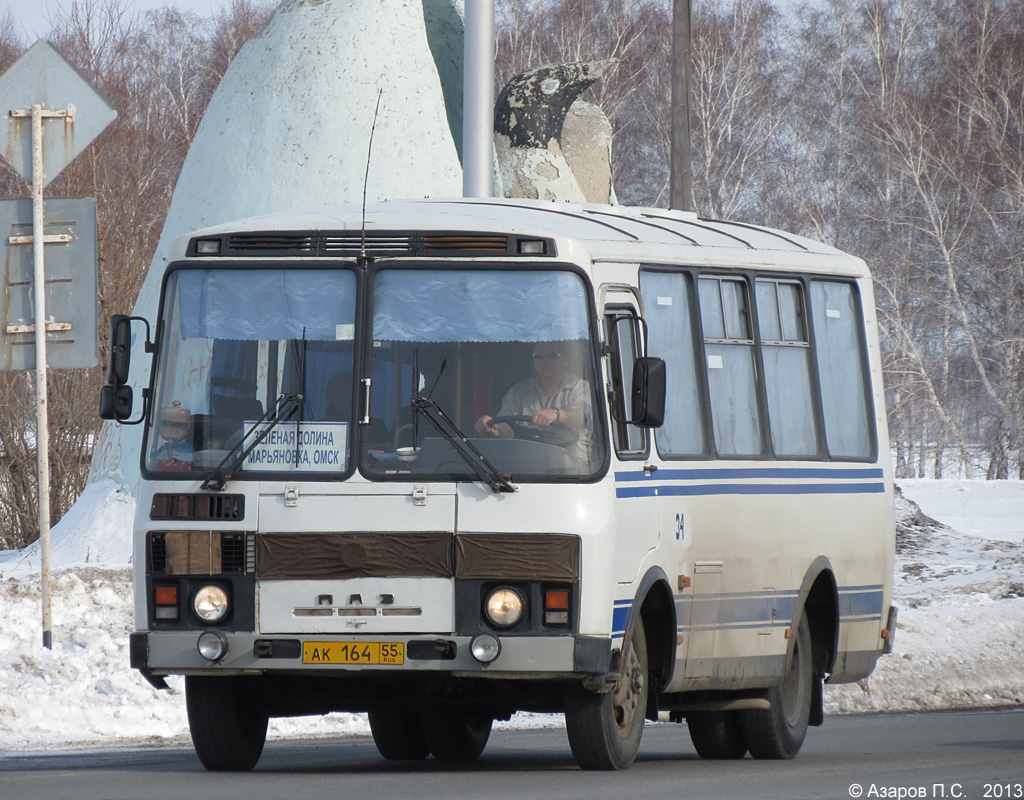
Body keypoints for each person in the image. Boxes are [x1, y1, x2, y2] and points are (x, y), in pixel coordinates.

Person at [475, 343, 593, 461]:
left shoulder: (582, 388)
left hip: (575, 471)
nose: (544, 361)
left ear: (567, 360)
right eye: (538, 356)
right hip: (528, 469)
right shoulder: (518, 391)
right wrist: (489, 427)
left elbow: (582, 416)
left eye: (552, 355)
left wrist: (557, 414)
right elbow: (504, 432)